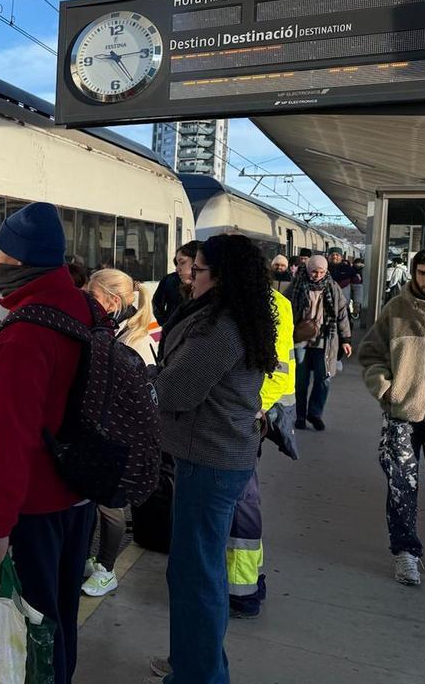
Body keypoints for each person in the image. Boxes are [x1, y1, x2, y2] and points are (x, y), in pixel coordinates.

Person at [0, 202, 92, 684]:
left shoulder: (24, 335)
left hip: (34, 504)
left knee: (34, 622)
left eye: (1, 255)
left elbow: (8, 437)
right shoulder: (83, 307)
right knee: (60, 614)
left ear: (19, 262)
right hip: (77, 492)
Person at [148, 234, 277, 684]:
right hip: (217, 457)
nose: (189, 277)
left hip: (209, 461)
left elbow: (176, 391)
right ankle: (193, 663)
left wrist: (144, 379)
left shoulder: (219, 329)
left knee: (195, 575)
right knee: (199, 571)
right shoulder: (235, 315)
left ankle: (199, 675)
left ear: (220, 277)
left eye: (198, 270)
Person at [358, 247, 425, 586]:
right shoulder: (396, 309)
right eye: (423, 273)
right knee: (401, 484)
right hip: (401, 415)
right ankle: (406, 553)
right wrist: (385, 388)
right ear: (413, 273)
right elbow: (370, 353)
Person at [81, 268, 157, 598]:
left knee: (111, 505)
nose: (88, 301)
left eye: (93, 295)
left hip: (121, 436)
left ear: (113, 301)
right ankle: (94, 561)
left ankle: (107, 569)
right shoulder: (124, 330)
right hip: (112, 431)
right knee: (99, 500)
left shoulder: (134, 339)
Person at [227, 264, 297, 620]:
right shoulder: (268, 302)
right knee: (243, 500)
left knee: (241, 501)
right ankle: (247, 581)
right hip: (253, 414)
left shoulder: (261, 306)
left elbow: (277, 370)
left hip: (249, 417)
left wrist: (252, 408)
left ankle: (242, 590)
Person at [291, 255, 352, 431]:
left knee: (324, 378)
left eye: (321, 272)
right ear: (308, 269)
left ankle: (315, 413)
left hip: (325, 340)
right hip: (300, 339)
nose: (317, 275)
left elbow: (342, 314)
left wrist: (346, 339)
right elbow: (286, 309)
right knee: (300, 380)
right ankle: (300, 415)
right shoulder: (296, 285)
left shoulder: (333, 287)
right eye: (314, 272)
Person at [152, 240, 200, 325]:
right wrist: (165, 322)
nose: (177, 269)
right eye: (177, 263)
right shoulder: (169, 280)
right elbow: (157, 302)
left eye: (182, 262)